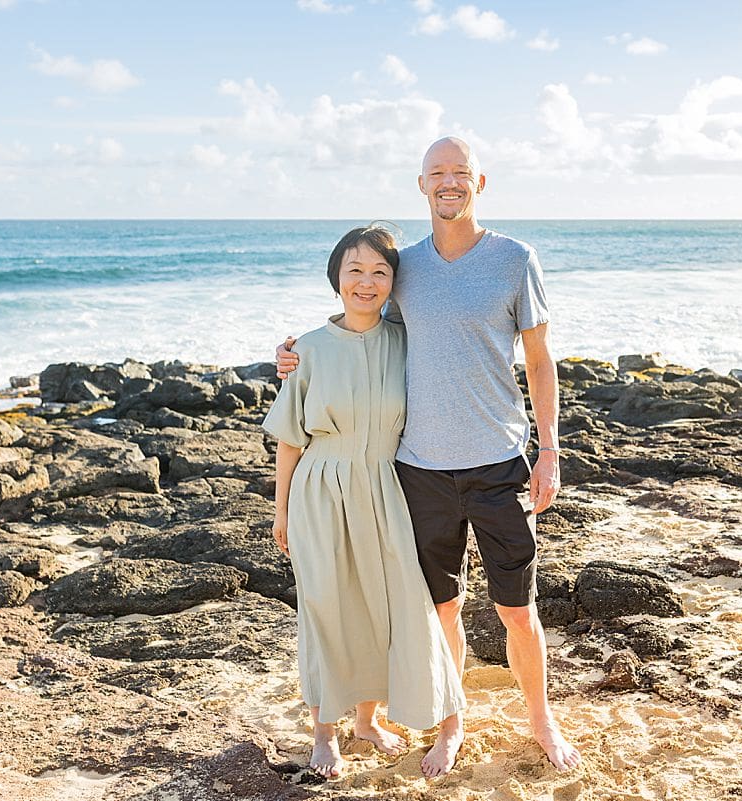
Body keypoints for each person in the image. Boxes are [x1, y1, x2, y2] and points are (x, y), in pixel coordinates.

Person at [276, 136, 582, 774]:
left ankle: (540, 720)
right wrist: (294, 355)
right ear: (421, 185)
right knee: (440, 610)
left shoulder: (514, 259)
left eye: (460, 173)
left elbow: (539, 357)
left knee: (517, 612)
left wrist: (550, 448)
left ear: (480, 183)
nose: (450, 182)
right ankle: (453, 723)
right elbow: (357, 320)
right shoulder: (403, 266)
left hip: (501, 463)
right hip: (417, 471)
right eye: (437, 173)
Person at [263, 224, 465, 779]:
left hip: (387, 486)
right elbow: (288, 437)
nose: (367, 282)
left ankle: (366, 720)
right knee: (326, 609)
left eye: (380, 272)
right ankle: (323, 733)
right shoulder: (305, 350)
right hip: (320, 489)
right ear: (336, 279)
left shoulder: (406, 341)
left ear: (394, 283)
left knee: (381, 607)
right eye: (355, 270)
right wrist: (280, 510)